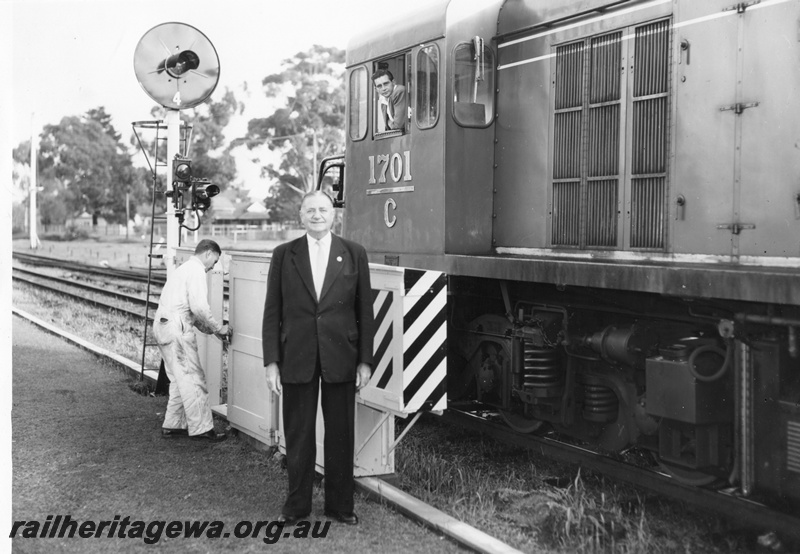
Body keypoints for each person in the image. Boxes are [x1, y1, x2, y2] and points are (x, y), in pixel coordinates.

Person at [262, 191, 375, 526]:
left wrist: (365, 360)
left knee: (340, 434)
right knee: (298, 434)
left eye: (323, 209)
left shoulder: (354, 253)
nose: (317, 215)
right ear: (300, 215)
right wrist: (271, 361)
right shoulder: (284, 254)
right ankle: (297, 506)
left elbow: (365, 311)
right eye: (310, 210)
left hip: (342, 355)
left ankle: (340, 505)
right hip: (296, 356)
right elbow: (272, 310)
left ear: (333, 215)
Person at [154, 239, 231, 442]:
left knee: (179, 380)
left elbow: (191, 312)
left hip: (163, 326)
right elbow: (199, 308)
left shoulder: (183, 269)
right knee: (194, 379)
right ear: (208, 253)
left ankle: (173, 424)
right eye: (215, 261)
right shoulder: (196, 270)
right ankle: (202, 429)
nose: (213, 267)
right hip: (177, 328)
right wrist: (218, 328)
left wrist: (212, 331)